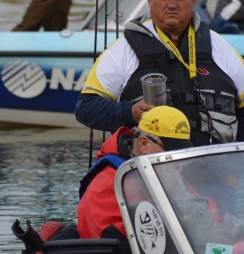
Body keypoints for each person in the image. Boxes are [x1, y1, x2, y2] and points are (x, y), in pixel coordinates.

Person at [74, 0, 244, 146]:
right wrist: (129, 112)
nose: (172, 4)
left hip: (215, 164)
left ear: (193, 0)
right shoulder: (123, 49)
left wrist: (239, 162)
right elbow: (86, 108)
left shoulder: (219, 46)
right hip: (151, 167)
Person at [76, 106, 193, 250]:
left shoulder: (169, 173)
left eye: (183, 153)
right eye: (171, 153)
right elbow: (112, 246)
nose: (178, 161)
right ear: (144, 144)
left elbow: (207, 211)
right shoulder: (106, 186)